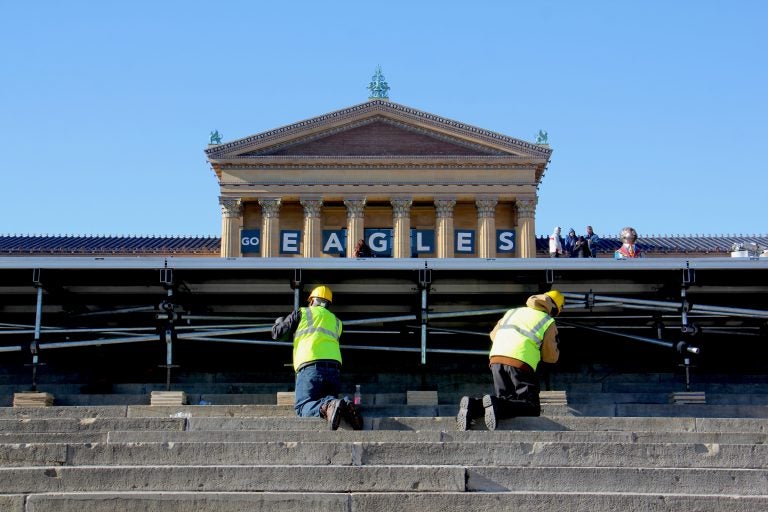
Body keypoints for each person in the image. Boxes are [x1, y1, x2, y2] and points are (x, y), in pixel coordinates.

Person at [456, 290, 564, 431]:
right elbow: (550, 357)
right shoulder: (547, 320)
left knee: (504, 404)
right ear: (554, 309)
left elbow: (493, 335)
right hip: (521, 362)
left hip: (496, 360)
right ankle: (492, 402)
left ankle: (472, 406)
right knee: (531, 407)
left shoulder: (512, 312)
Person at [272, 285, 363, 430]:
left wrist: (278, 322)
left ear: (312, 300)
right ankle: (345, 405)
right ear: (328, 303)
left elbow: (279, 334)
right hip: (333, 370)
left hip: (310, 368)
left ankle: (329, 406)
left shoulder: (303, 313)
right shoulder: (337, 322)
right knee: (331, 402)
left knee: (302, 406)